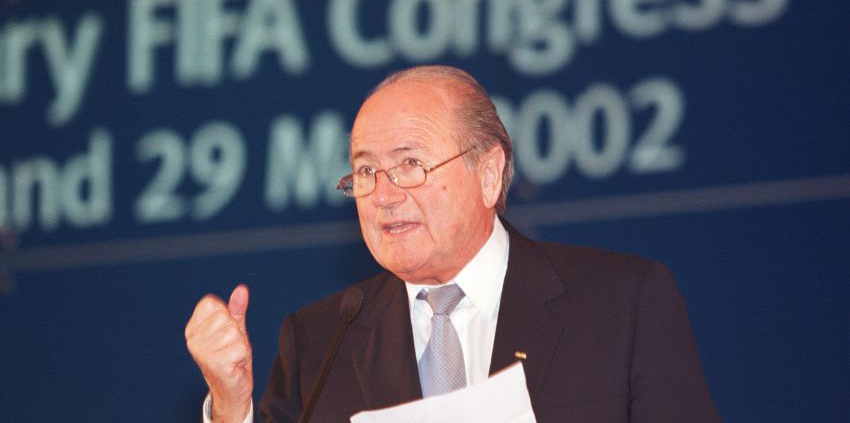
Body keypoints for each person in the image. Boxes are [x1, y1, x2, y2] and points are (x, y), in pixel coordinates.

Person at [185, 65, 720, 422]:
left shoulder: (621, 303)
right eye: (365, 170)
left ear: (489, 175)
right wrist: (232, 408)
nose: (382, 194)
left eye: (410, 165)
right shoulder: (321, 342)